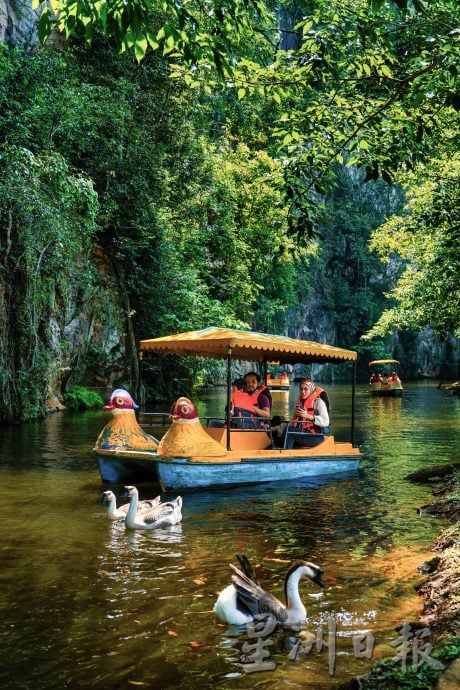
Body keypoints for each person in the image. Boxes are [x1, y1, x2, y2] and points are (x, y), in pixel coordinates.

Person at [272, 378, 330, 447]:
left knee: (290, 431)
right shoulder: (300, 402)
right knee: (280, 436)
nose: (303, 391)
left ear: (311, 390)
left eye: (306, 389)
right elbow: (293, 422)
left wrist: (307, 416)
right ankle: (279, 454)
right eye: (301, 389)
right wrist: (276, 428)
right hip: (303, 434)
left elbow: (326, 422)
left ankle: (286, 454)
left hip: (317, 437)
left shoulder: (319, 402)